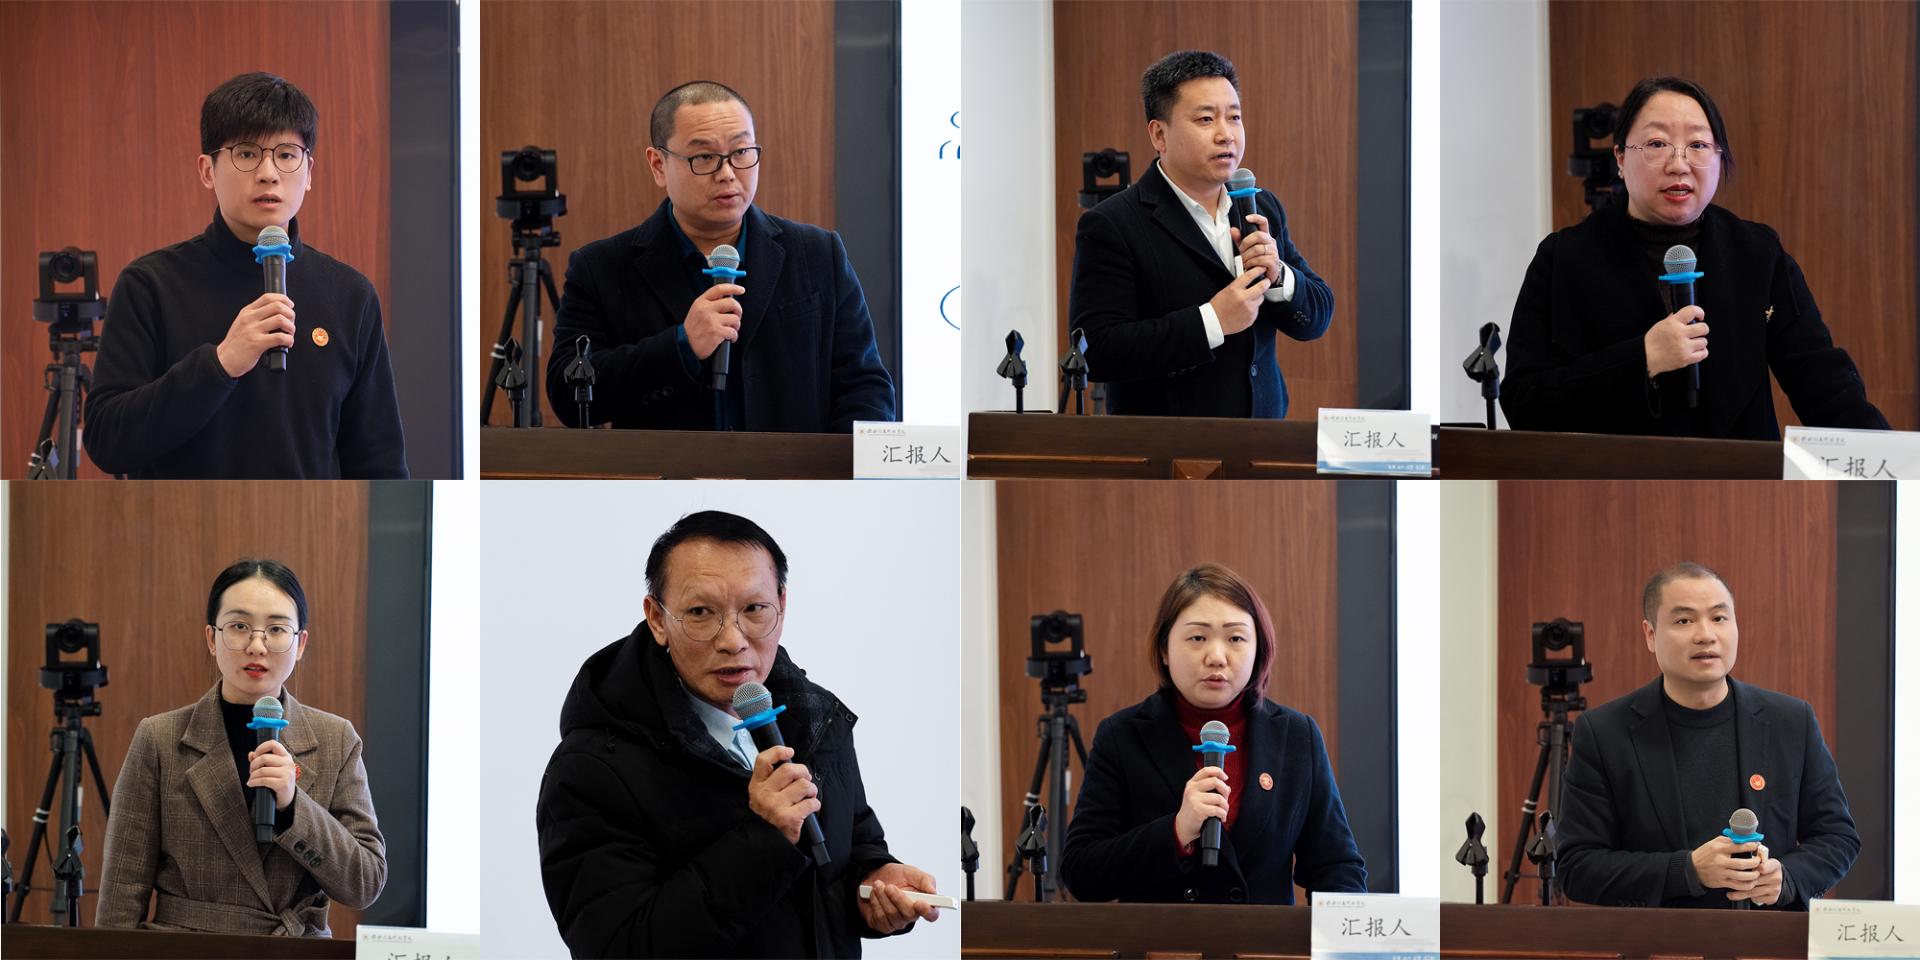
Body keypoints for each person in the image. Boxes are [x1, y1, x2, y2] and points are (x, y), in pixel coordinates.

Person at [536, 511, 939, 958]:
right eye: (700, 612)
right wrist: (764, 838)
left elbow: (852, 851)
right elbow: (619, 948)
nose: (733, 640)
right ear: (657, 618)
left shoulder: (817, 721)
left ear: (781, 606)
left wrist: (875, 884)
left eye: (753, 610)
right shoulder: (591, 769)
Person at [1502, 76, 1887, 439]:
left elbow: (1823, 381)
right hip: (1613, 479)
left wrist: (1890, 461)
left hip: (1738, 477)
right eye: (1657, 144)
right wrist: (1643, 358)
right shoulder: (1563, 258)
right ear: (1620, 158)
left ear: (1719, 157)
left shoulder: (1757, 253)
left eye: (1699, 145)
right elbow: (1524, 402)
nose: (1679, 163)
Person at [83, 72, 408, 479]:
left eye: (287, 155)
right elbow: (108, 442)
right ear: (207, 170)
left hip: (312, 520)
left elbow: (380, 464)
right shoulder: (150, 285)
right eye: (247, 153)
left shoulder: (350, 296)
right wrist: (220, 365)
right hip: (181, 519)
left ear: (309, 172)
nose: (269, 173)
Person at [545, 81, 896, 432]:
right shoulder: (601, 267)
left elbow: (865, 387)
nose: (727, 173)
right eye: (704, 157)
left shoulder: (818, 253)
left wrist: (835, 465)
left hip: (791, 467)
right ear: (658, 165)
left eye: (741, 152)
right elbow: (568, 394)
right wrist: (681, 346)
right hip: (665, 468)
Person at [96, 559, 387, 934]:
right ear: (211, 639)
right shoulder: (159, 738)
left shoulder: (336, 739)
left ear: (300, 644)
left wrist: (292, 807)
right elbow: (121, 897)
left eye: (276, 629)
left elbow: (365, 883)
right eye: (239, 627)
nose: (256, 645)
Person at [1557, 562, 1860, 909]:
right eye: (1684, 621)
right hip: (1659, 937)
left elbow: (1838, 837)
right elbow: (1577, 866)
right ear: (1650, 634)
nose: (1706, 634)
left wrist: (1788, 877)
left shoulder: (1791, 722)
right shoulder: (1604, 733)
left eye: (1719, 618)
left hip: (1766, 936)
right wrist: (1687, 870)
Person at [1060, 563, 1365, 904]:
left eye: (1235, 638)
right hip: (1162, 938)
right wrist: (1177, 831)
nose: (1217, 657)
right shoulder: (1122, 736)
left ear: (1258, 649)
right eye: (1197, 638)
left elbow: (1337, 868)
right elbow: (1081, 872)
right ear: (1164, 649)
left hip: (1260, 939)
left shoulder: (1296, 736)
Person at [1069, 51, 1334, 419]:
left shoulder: (1260, 206)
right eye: (1206, 119)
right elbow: (1097, 351)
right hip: (1169, 445)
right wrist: (1212, 321)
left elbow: (1317, 317)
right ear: (1159, 134)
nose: (1226, 134)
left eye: (1234, 117)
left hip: (1264, 441)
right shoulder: (1113, 223)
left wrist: (1280, 277)